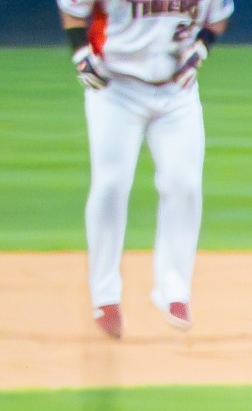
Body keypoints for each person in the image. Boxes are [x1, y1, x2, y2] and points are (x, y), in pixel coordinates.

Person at [60, 0, 232, 337]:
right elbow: (72, 8)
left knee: (184, 184)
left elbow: (218, 18)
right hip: (115, 88)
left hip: (177, 91)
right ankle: (105, 296)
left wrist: (201, 48)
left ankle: (174, 290)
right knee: (110, 185)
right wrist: (80, 52)